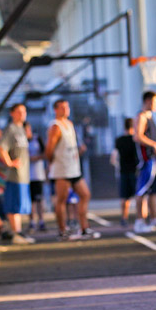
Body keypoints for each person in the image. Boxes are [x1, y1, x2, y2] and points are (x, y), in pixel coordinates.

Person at [45, 99, 100, 241]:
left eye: (67, 107)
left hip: (73, 168)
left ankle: (84, 228)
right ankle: (62, 230)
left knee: (85, 194)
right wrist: (52, 164)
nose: (65, 109)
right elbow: (49, 150)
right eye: (62, 107)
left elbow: (69, 147)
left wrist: (79, 151)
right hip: (62, 169)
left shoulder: (69, 124)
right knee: (62, 200)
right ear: (56, 110)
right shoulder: (55, 127)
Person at [0, 104, 35, 245]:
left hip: (24, 174)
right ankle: (16, 233)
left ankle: (18, 232)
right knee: (14, 204)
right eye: (19, 111)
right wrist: (9, 163)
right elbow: (1, 147)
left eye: (24, 111)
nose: (22, 114)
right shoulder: (11, 129)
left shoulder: (21, 129)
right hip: (15, 175)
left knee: (19, 205)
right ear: (12, 113)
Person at [133, 91, 156, 234]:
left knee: (153, 192)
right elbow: (137, 136)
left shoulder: (150, 117)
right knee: (142, 190)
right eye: (154, 102)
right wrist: (154, 145)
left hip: (154, 158)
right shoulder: (141, 117)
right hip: (146, 160)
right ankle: (139, 221)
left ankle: (154, 219)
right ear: (147, 101)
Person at [111, 118, 138, 227]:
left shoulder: (119, 140)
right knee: (139, 196)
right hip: (135, 172)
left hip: (123, 172)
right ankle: (141, 218)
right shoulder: (136, 139)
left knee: (124, 197)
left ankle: (124, 218)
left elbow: (113, 157)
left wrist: (118, 166)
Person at [25, 122, 47, 232]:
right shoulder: (22, 142)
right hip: (26, 176)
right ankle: (32, 222)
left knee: (39, 200)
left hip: (38, 175)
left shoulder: (37, 139)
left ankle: (41, 221)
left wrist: (36, 158)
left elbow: (46, 153)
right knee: (30, 201)